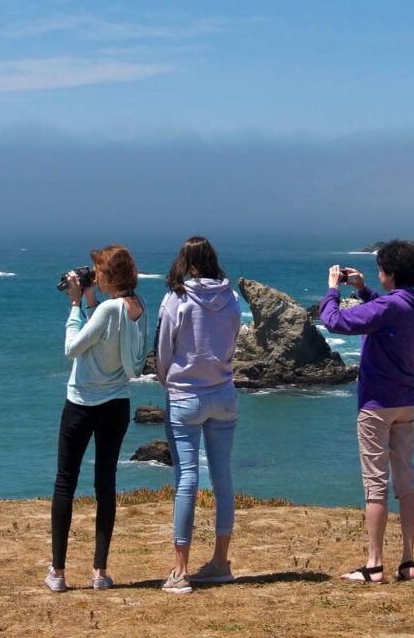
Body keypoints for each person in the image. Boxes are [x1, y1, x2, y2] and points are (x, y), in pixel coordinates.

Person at [318, 240, 414, 584]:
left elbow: (334, 322)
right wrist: (365, 289)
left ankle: (374, 565)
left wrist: (332, 290)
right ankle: (408, 561)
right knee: (406, 480)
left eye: (381, 270)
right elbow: (385, 311)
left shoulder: (389, 307)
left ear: (390, 274)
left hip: (376, 406)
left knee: (375, 485)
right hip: (406, 402)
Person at [46, 244, 148, 593]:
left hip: (82, 404)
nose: (94, 276)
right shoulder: (136, 306)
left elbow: (73, 347)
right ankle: (99, 572)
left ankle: (58, 574)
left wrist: (75, 304)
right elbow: (107, 339)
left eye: (97, 271)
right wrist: (91, 300)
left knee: (65, 482)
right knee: (105, 484)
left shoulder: (106, 309)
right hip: (116, 403)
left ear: (109, 275)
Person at [155, 236, 242, 594]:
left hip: (186, 395)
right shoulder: (231, 297)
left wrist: (168, 383)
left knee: (187, 480)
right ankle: (220, 562)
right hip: (224, 392)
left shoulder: (177, 298)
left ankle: (180, 571)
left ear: (186, 262)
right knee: (222, 478)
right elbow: (234, 341)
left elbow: (162, 350)